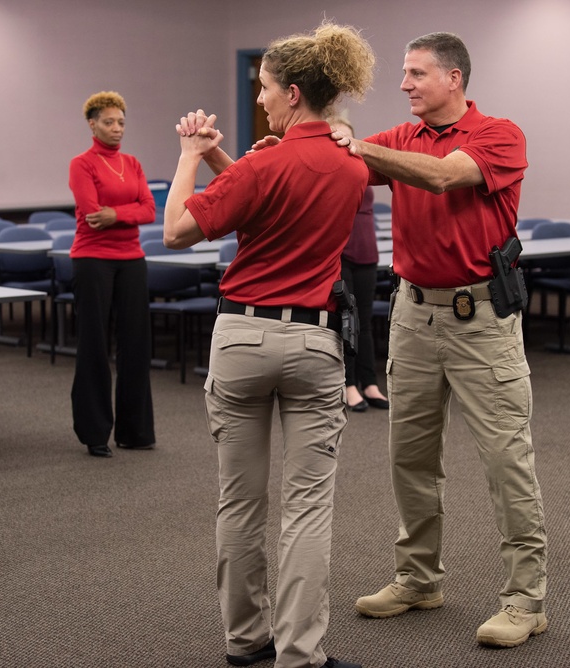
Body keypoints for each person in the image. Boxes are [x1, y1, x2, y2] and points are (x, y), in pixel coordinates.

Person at [162, 22, 375, 668]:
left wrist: (190, 155)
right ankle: (300, 654)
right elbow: (269, 190)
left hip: (242, 340)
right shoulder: (350, 165)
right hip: (312, 344)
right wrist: (231, 160)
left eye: (264, 89)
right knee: (307, 511)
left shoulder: (264, 162)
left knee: (241, 500)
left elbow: (176, 230)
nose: (259, 100)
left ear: (291, 93)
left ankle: (246, 640)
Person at [333, 33, 548, 648]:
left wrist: (360, 146)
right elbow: (341, 170)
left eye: (416, 73)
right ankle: (417, 578)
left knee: (507, 461)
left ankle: (525, 600)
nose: (404, 84)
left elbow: (444, 178)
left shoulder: (499, 135)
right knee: (410, 456)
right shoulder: (401, 137)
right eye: (404, 73)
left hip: (481, 319)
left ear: (454, 79)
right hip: (413, 314)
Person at [68, 91, 158, 457]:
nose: (117, 128)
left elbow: (151, 210)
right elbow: (92, 215)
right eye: (109, 122)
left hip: (132, 258)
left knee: (136, 343)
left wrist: (117, 215)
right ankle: (94, 433)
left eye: (121, 122)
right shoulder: (82, 164)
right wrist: (126, 211)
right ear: (92, 124)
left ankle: (135, 431)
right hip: (92, 258)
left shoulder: (133, 163)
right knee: (94, 343)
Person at [329, 118, 390, 414]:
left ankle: (370, 382)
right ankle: (348, 384)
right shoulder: (329, 172)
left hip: (367, 250)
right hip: (342, 252)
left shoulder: (363, 167)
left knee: (364, 322)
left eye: (348, 137)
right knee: (347, 321)